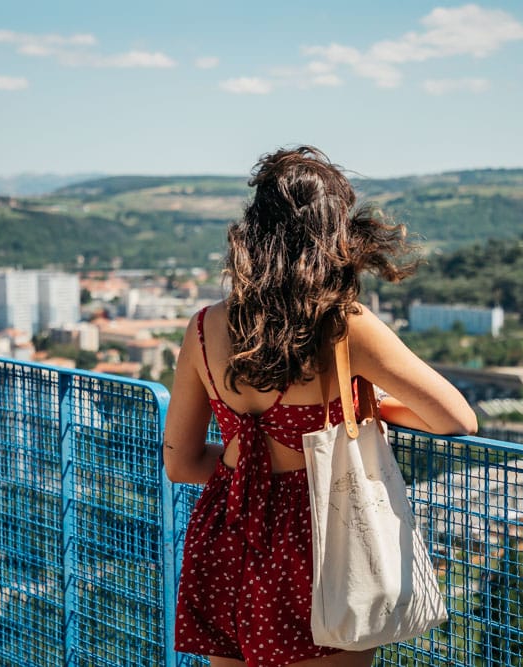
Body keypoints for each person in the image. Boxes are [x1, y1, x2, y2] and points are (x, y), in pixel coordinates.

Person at [163, 146, 477, 667]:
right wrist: (374, 403)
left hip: (225, 536)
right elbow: (456, 417)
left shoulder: (203, 329)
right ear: (332, 235)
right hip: (320, 540)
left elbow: (181, 463)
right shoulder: (343, 324)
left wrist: (249, 469)